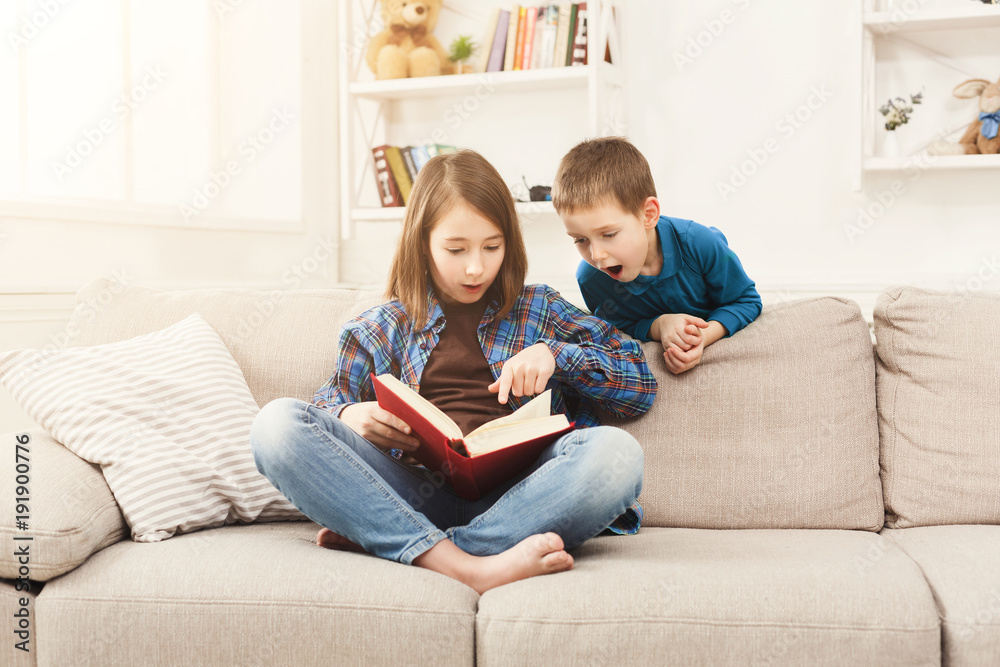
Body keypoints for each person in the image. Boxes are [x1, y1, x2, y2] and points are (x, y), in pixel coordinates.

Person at [250, 149, 656, 595]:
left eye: (492, 246)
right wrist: (349, 416)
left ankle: (413, 547)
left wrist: (557, 355)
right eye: (456, 249)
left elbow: (640, 384)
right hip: (412, 496)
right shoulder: (377, 330)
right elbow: (324, 408)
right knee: (276, 425)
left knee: (618, 454)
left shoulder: (539, 308)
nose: (476, 267)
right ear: (422, 242)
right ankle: (470, 565)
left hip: (523, 500)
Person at [552, 137, 762, 374]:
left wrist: (703, 336)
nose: (597, 255)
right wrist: (659, 325)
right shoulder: (592, 278)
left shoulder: (700, 243)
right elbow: (619, 327)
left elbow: (746, 300)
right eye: (580, 240)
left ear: (648, 215)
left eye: (609, 234)